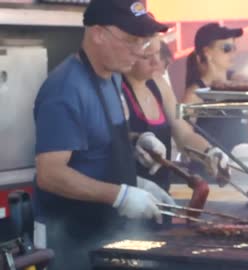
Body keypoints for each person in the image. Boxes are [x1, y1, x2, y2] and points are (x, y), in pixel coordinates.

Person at [33, 1, 175, 269]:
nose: (139, 51)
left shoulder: (113, 77)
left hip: (109, 233)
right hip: (71, 239)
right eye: (132, 40)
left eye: (143, 42)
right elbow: (50, 175)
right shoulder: (65, 90)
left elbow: (96, 138)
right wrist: (121, 195)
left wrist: (136, 143)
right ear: (98, 34)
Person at [122, 35, 230, 191]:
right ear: (129, 54)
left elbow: (184, 134)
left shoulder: (159, 84)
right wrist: (134, 141)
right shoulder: (115, 86)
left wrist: (209, 152)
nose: (156, 62)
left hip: (162, 192)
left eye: (157, 53)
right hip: (128, 194)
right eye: (146, 56)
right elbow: (107, 139)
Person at [182, 22, 248, 153]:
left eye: (234, 48)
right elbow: (183, 137)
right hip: (212, 168)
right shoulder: (195, 94)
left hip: (244, 164)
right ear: (207, 53)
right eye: (226, 48)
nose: (233, 53)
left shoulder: (238, 82)